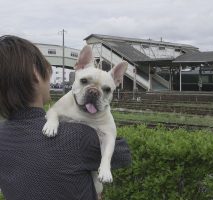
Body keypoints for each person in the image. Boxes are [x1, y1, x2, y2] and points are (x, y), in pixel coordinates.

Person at [0, 35, 131, 200]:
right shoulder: (76, 137)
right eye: (48, 70)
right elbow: (122, 154)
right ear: (36, 75)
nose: (50, 76)